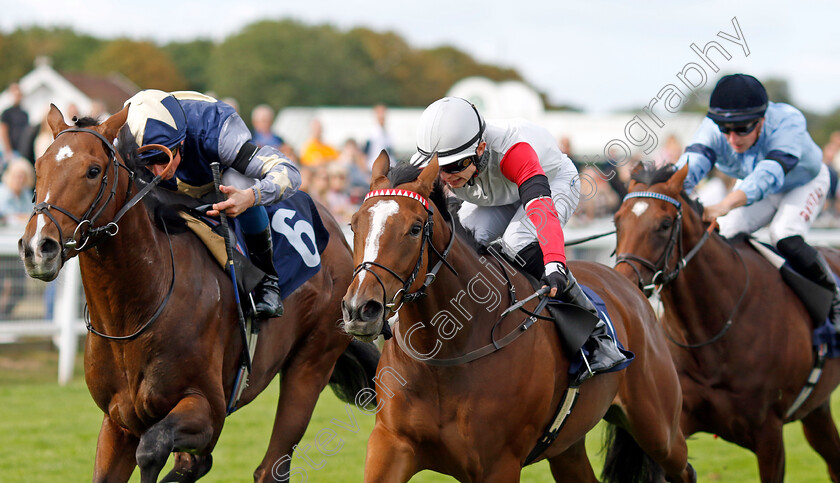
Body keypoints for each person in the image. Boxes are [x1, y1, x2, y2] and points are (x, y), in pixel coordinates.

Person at [409, 97, 627, 383]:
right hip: (497, 194)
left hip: (552, 182)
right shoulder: (446, 163)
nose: (447, 178)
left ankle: (596, 335)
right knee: (462, 246)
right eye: (441, 168)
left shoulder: (515, 151)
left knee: (516, 242)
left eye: (456, 166)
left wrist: (554, 264)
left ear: (481, 149)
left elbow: (541, 210)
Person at [677, 74, 839, 326]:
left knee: (784, 235)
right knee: (724, 235)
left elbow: (768, 175)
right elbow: (687, 169)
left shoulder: (788, 121)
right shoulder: (711, 128)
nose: (732, 138)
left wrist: (724, 205)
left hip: (804, 182)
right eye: (725, 129)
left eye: (742, 128)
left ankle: (835, 296)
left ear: (762, 120)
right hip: (758, 184)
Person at [124, 90, 302, 319]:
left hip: (220, 182)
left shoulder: (218, 130)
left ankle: (269, 282)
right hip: (166, 192)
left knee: (240, 181)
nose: (160, 171)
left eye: (163, 159)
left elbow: (289, 172)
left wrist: (251, 196)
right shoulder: (123, 140)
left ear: (181, 141)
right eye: (148, 163)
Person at [1, 83, 30, 165]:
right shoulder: (6, 113)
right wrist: (8, 151)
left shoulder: (25, 114)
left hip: (23, 151)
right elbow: (3, 131)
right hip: (11, 151)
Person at [364, 103, 393, 170]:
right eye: (379, 113)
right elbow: (364, 154)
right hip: (373, 167)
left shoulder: (389, 134)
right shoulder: (370, 134)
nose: (382, 115)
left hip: (388, 167)